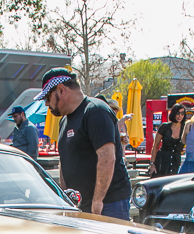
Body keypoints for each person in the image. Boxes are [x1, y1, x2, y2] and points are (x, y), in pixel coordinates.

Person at [37, 67, 131, 220]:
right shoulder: (64, 121)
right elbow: (65, 161)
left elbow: (107, 158)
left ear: (61, 90)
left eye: (48, 97)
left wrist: (98, 201)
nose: (47, 103)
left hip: (108, 203)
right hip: (81, 204)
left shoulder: (95, 111)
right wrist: (67, 198)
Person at [148, 104, 185, 177]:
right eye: (178, 113)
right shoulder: (165, 127)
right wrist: (152, 164)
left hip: (175, 161)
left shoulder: (185, 128)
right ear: (173, 113)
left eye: (182, 113)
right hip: (162, 161)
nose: (180, 116)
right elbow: (155, 145)